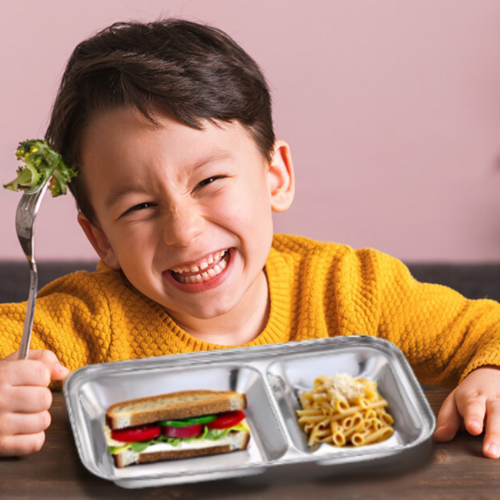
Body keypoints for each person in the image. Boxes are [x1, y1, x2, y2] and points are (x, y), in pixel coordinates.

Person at [0, 19, 499, 461]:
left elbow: (487, 329)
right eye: (139, 207)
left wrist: (492, 375)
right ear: (100, 239)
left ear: (275, 176)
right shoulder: (89, 320)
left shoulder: (350, 288)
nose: (184, 230)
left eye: (209, 181)